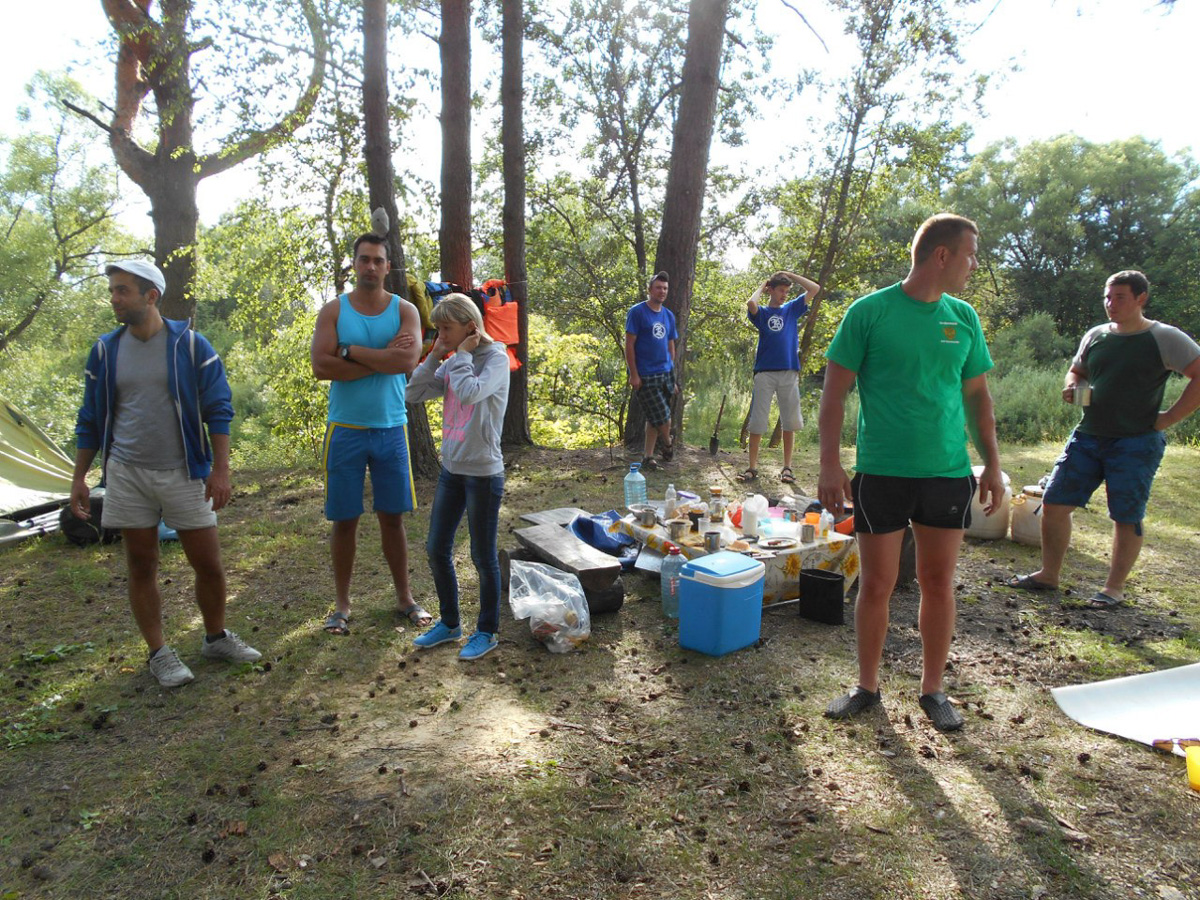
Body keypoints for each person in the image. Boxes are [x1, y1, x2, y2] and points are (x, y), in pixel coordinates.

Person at [817, 214, 1003, 732]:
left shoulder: (963, 318)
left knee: (938, 581)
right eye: (970, 254)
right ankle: (867, 686)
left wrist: (991, 462)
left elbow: (977, 396)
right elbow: (834, 396)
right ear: (941, 255)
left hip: (946, 472)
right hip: (883, 472)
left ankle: (933, 690)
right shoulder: (869, 312)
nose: (973, 265)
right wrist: (830, 465)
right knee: (878, 582)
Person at [70, 260, 260, 688]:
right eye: (114, 290)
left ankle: (215, 637)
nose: (114, 298)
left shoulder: (191, 346)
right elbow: (90, 419)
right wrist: (80, 477)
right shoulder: (105, 351)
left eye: (123, 291)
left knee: (208, 563)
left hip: (184, 472)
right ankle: (159, 653)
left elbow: (219, 409)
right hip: (126, 472)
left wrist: (221, 468)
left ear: (150, 295)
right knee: (142, 563)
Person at [1008, 270, 1200, 608]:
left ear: (1141, 298)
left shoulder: (1164, 337)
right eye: (1107, 298)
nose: (1111, 304)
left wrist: (1170, 417)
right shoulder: (1096, 335)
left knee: (1126, 515)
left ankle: (1113, 589)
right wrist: (1072, 386)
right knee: (1054, 504)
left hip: (1136, 441)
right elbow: (1078, 370)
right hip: (1088, 435)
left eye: (1119, 297)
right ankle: (1048, 575)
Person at [310, 234, 428, 636]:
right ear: (355, 264)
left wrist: (351, 351)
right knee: (344, 520)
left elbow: (408, 360)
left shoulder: (405, 310)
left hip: (391, 428)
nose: (371, 267)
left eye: (378, 260)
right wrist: (383, 360)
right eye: (364, 260)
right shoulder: (333, 311)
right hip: (345, 429)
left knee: (392, 519)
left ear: (387, 266)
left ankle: (405, 598)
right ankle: (341, 605)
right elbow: (321, 368)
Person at [406, 294, 510, 660]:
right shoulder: (450, 361)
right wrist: (435, 355)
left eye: (444, 328)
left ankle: (487, 631)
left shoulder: (495, 358)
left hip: (483, 473)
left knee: (483, 558)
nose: (440, 335)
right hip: (452, 470)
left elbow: (470, 393)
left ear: (469, 326)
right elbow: (414, 392)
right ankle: (450, 623)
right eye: (437, 329)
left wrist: (461, 355)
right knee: (437, 548)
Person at [739, 270, 821, 485]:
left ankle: (787, 468)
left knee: (789, 421)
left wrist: (791, 276)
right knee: (758, 422)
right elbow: (750, 303)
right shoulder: (763, 313)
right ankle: (752, 468)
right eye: (781, 290)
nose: (784, 294)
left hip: (788, 372)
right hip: (765, 373)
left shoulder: (791, 309)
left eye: (787, 291)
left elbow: (814, 289)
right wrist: (763, 284)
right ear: (771, 290)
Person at [624, 271, 678, 471]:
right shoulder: (637, 312)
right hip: (645, 374)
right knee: (662, 415)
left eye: (665, 288)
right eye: (658, 287)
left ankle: (648, 456)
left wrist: (671, 374)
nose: (662, 291)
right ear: (650, 290)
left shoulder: (668, 315)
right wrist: (634, 373)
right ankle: (668, 443)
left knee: (654, 418)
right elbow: (629, 345)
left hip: (665, 373)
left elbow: (670, 344)